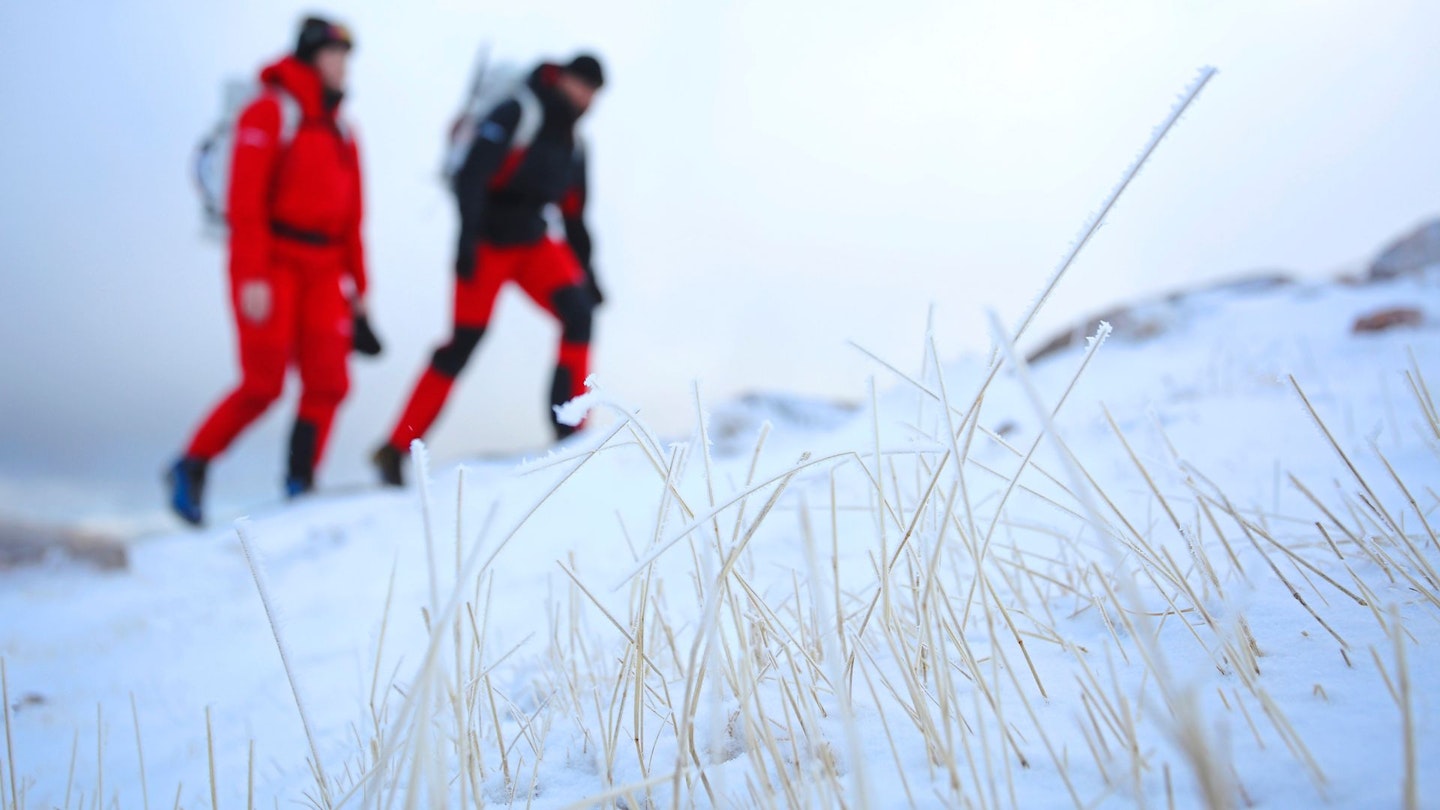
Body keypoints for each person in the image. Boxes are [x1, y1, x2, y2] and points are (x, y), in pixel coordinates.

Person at [167, 16, 375, 525]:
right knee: (263, 384)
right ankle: (190, 465)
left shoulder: (344, 130)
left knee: (330, 381)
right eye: (335, 54)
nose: (344, 65)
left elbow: (353, 217)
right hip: (270, 261)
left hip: (326, 270)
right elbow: (245, 202)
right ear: (311, 56)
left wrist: (360, 287)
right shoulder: (268, 110)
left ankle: (300, 483)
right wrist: (253, 274)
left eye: (347, 55)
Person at [372, 53, 606, 486]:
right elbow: (473, 176)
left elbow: (574, 215)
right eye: (581, 84)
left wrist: (589, 274)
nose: (585, 95)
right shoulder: (519, 110)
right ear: (565, 79)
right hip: (486, 241)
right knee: (462, 345)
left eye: (592, 90)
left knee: (579, 314)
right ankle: (396, 447)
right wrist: (466, 241)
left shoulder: (573, 144)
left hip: (533, 241)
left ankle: (572, 432)